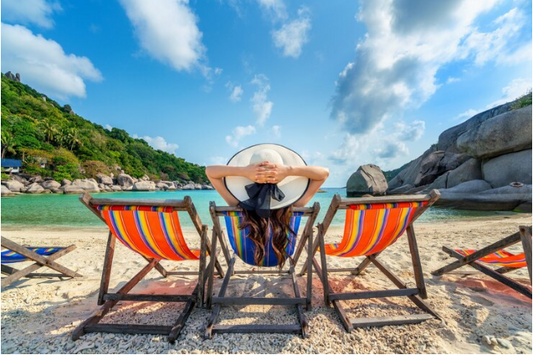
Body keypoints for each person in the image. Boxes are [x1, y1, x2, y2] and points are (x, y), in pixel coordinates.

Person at [206, 144, 329, 268]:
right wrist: (288, 170)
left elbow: (210, 171)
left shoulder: (236, 204)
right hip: (281, 255)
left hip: (246, 256)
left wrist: (243, 171)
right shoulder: (295, 205)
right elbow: (323, 174)